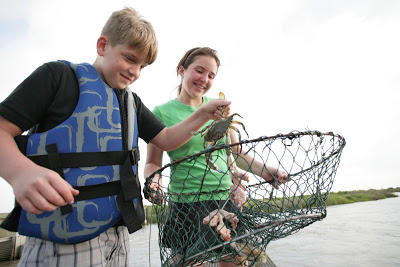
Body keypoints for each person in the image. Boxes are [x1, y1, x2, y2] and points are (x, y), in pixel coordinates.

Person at [0, 9, 230, 267]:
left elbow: (165, 138)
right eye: (130, 59)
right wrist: (20, 173)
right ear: (102, 45)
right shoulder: (56, 77)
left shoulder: (131, 101)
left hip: (117, 234)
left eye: (142, 66)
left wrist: (201, 114)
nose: (135, 72)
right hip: (61, 237)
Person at [144, 47, 289, 267]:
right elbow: (153, 163)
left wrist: (266, 171)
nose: (204, 79)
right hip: (185, 205)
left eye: (211, 75)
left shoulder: (220, 109)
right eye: (199, 71)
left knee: (236, 261)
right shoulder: (162, 112)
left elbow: (237, 153)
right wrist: (154, 181)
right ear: (182, 70)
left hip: (223, 201)